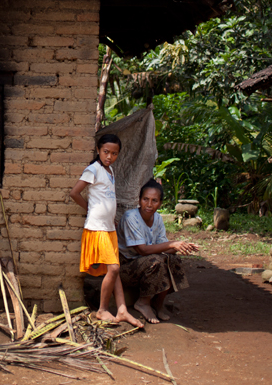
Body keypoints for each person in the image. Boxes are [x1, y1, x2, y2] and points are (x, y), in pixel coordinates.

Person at [69, 134, 143, 327]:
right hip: (97, 228)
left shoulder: (110, 171)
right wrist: (90, 210)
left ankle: (122, 310)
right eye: (106, 152)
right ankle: (102, 310)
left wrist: (112, 220)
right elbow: (74, 193)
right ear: (98, 151)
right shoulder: (92, 170)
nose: (110, 156)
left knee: (114, 270)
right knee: (114, 268)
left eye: (114, 153)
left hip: (109, 228)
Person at [117, 179, 198, 323]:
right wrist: (173, 244)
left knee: (173, 259)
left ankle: (158, 304)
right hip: (127, 267)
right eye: (145, 199)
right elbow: (142, 250)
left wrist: (181, 246)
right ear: (139, 200)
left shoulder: (158, 219)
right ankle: (143, 302)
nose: (149, 204)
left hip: (145, 264)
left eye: (154, 201)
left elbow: (163, 246)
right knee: (157, 261)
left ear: (160, 203)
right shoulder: (131, 218)